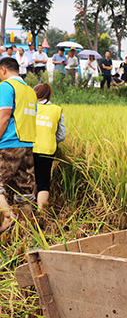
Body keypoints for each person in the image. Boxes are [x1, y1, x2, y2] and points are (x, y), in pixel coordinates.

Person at [0, 58, 37, 233]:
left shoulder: (7, 86)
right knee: (25, 192)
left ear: (3, 70)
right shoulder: (30, 90)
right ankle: (29, 234)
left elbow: (5, 116)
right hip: (27, 144)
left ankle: (8, 215)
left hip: (9, 143)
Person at [31, 83, 66, 211]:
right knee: (43, 182)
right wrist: (51, 141)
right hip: (47, 150)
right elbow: (62, 134)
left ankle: (27, 211)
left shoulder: (29, 108)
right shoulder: (57, 109)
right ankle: (41, 213)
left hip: (29, 148)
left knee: (30, 179)